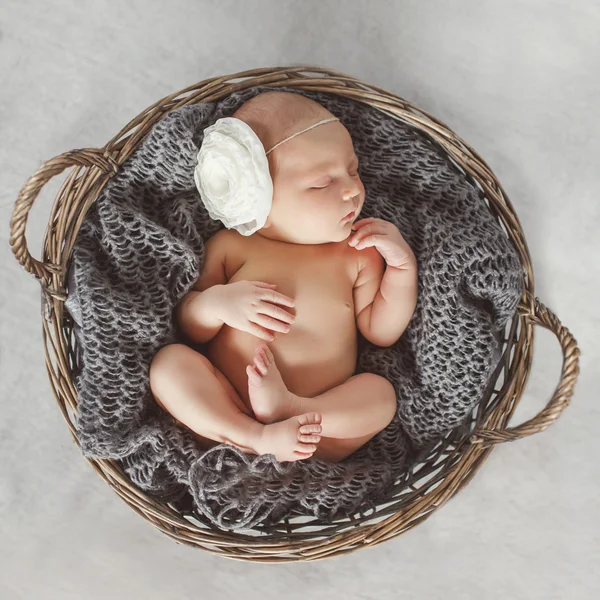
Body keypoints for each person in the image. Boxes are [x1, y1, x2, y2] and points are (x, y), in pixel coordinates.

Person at [149, 91, 418, 463]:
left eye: (353, 170)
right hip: (228, 407)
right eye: (323, 183)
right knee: (169, 364)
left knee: (381, 395)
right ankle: (255, 437)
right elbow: (192, 328)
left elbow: (381, 331)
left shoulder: (358, 252)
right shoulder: (232, 247)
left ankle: (291, 408)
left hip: (321, 427)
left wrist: (403, 268)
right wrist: (217, 305)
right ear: (259, 201)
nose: (354, 189)